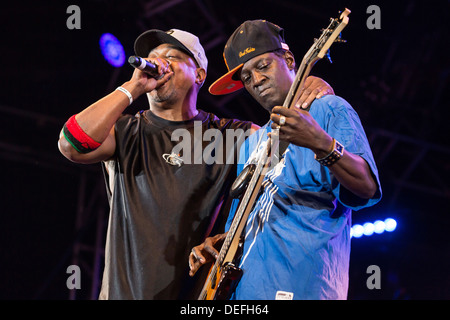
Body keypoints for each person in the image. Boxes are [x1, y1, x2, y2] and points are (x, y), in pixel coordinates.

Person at [58, 27, 333, 299]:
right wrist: (132, 87)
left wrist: (314, 89)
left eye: (172, 57)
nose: (159, 64)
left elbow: (293, 146)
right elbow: (71, 144)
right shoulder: (125, 131)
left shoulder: (231, 135)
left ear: (199, 74)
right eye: (154, 57)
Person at [189, 19, 382, 300]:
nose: (255, 80)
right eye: (246, 77)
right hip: (243, 291)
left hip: (302, 285)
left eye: (263, 66)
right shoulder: (252, 143)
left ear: (289, 59)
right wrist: (222, 241)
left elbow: (367, 187)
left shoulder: (329, 109)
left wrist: (320, 142)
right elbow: (255, 215)